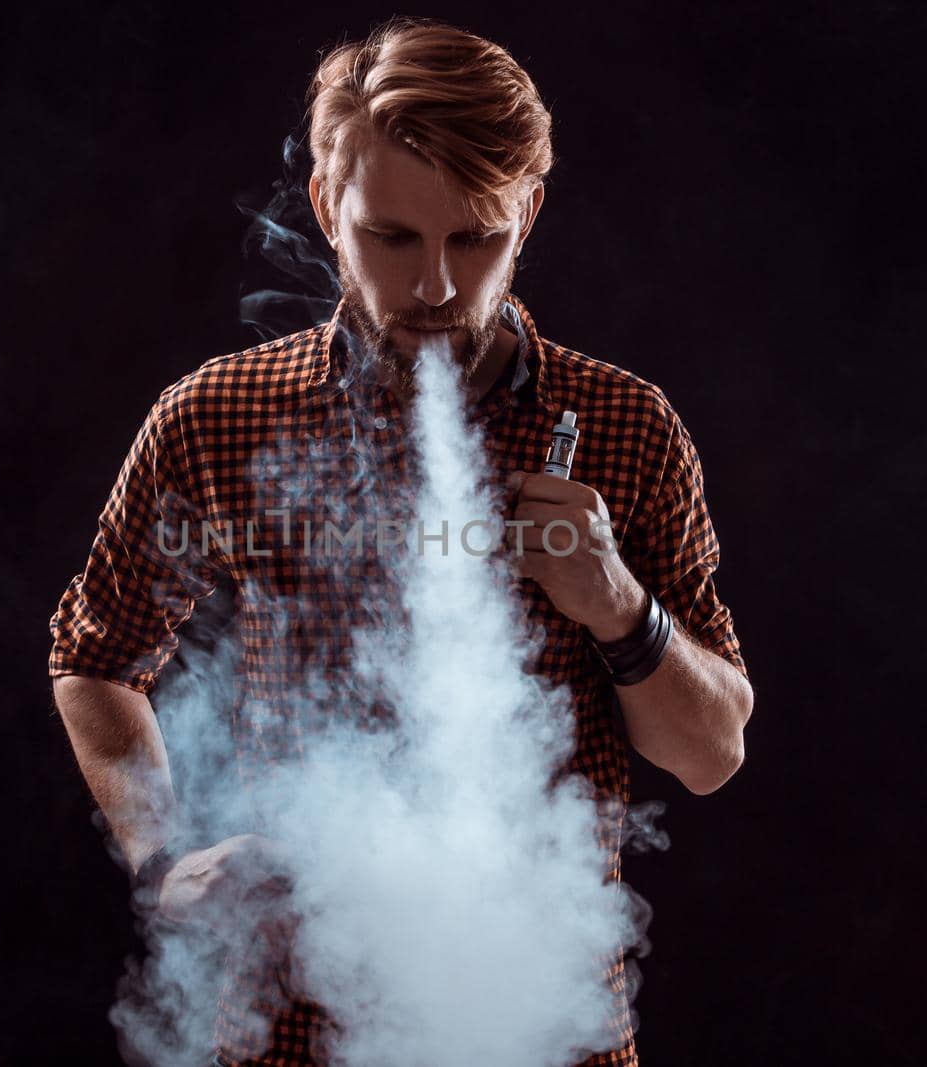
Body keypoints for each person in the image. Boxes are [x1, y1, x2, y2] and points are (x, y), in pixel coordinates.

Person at [49, 17, 753, 1067]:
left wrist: (614, 601)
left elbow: (710, 754)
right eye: (392, 237)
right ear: (330, 207)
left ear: (529, 213)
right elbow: (95, 658)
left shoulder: (626, 426)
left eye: (475, 239)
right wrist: (159, 856)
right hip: (284, 1027)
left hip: (541, 1024)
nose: (434, 287)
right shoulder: (215, 416)